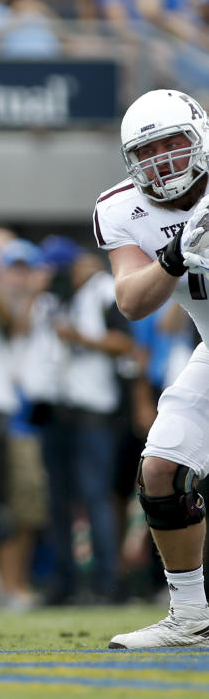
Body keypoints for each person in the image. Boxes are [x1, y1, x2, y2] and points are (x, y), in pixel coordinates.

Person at [92, 88, 209, 647]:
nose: (162, 160)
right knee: (162, 470)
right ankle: (192, 617)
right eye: (148, 151)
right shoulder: (119, 208)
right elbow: (133, 301)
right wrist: (176, 253)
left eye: (172, 144)